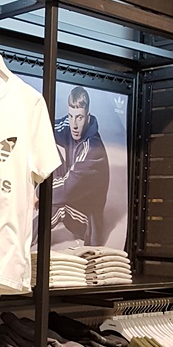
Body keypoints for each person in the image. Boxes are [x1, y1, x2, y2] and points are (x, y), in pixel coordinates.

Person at [50, 86, 110, 245]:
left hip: (87, 219)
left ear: (87, 117)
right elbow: (45, 126)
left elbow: (68, 186)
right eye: (71, 116)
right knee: (47, 144)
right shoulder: (70, 124)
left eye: (79, 118)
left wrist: (38, 194)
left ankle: (23, 239)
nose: (74, 125)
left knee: (59, 206)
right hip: (72, 192)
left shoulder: (93, 148)